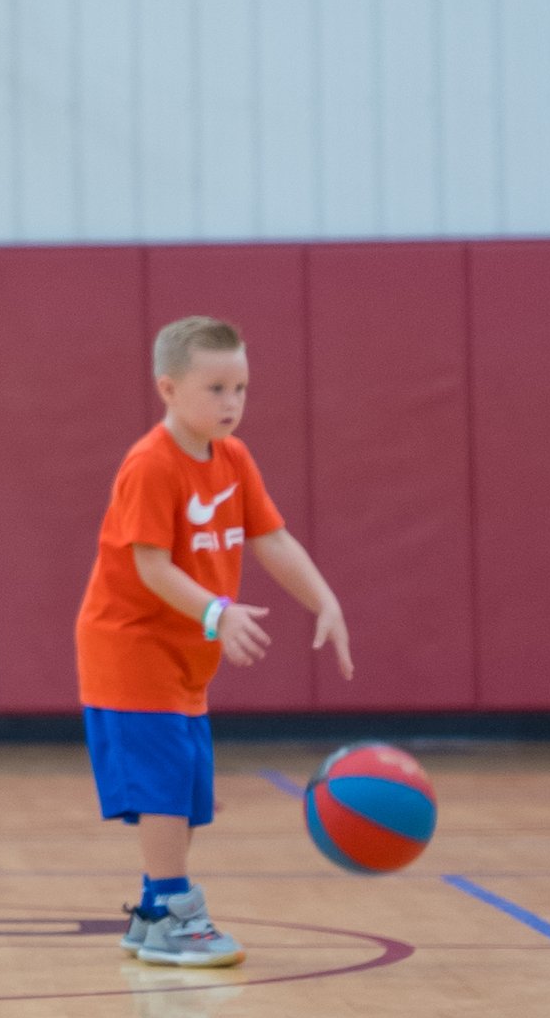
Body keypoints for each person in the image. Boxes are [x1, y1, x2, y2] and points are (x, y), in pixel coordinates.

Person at [76, 312, 352, 967]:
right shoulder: (151, 464)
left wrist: (325, 599)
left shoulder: (233, 457)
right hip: (131, 648)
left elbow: (272, 538)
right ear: (169, 389)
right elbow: (151, 565)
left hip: (184, 657)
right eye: (216, 389)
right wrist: (218, 614)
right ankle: (173, 908)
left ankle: (151, 908)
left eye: (241, 388)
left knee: (188, 791)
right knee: (165, 788)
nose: (232, 403)